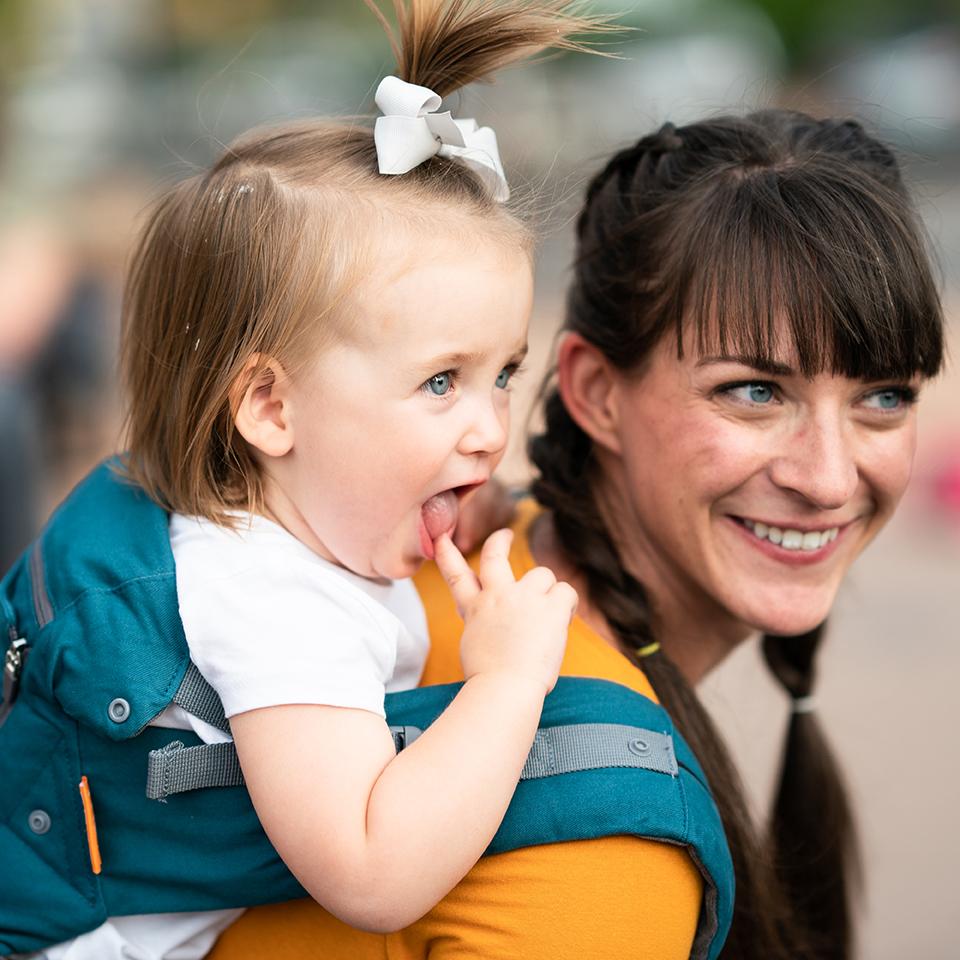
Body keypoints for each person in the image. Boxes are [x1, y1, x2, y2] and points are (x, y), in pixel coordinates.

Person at [207, 110, 945, 960]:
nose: (828, 477)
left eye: (885, 396)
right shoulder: (610, 857)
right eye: (753, 392)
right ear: (593, 393)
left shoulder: (423, 545)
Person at [20, 2, 622, 959]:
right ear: (270, 409)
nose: (489, 427)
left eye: (502, 373)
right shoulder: (273, 607)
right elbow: (373, 872)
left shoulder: (292, 509)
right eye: (440, 381)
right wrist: (508, 684)